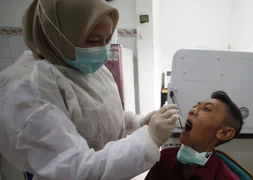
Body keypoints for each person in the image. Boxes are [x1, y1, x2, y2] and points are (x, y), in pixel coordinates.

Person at [0, 0, 179, 179]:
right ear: (59, 34)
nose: (102, 49)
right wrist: (149, 140)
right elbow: (74, 169)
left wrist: (136, 122)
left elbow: (93, 116)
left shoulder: (89, 67)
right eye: (92, 40)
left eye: (108, 39)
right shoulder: (28, 87)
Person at [145, 91, 244, 180]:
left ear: (225, 133)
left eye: (206, 109)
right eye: (195, 106)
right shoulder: (165, 157)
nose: (192, 111)